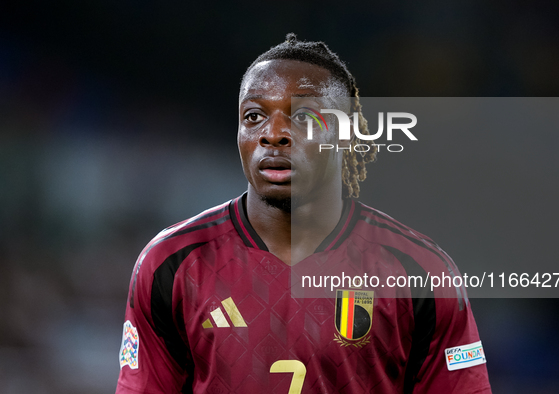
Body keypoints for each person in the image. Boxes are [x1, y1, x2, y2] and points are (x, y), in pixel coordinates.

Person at [116, 33, 492, 393]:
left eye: (304, 118)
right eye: (253, 117)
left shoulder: (418, 270)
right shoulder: (171, 263)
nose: (273, 133)